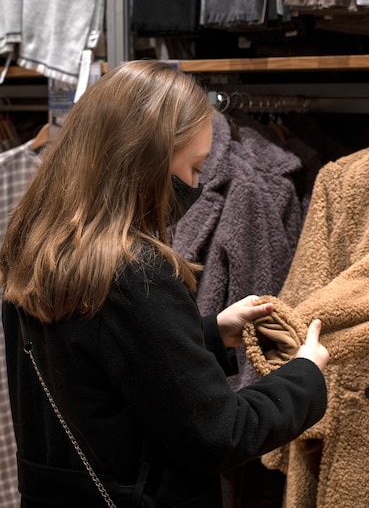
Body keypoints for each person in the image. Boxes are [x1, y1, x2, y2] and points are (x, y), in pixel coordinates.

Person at [0, 60, 329, 508]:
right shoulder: (136, 272)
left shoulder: (40, 246)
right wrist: (306, 375)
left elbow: (102, 362)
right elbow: (220, 434)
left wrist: (210, 334)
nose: (196, 185)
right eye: (194, 168)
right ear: (145, 162)